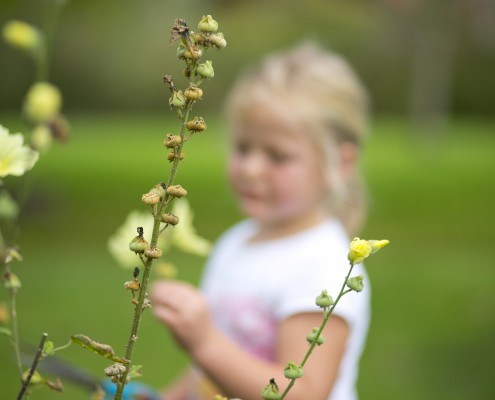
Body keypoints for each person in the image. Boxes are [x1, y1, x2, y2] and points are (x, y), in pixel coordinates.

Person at [151, 41, 371, 400]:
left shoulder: (324, 266)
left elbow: (304, 393)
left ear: (341, 164)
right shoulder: (236, 242)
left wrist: (204, 342)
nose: (251, 169)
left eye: (277, 156)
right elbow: (209, 372)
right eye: (243, 148)